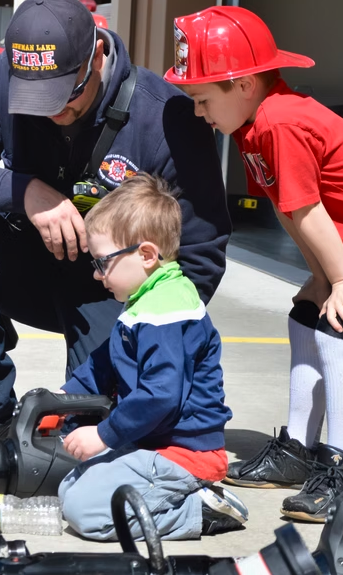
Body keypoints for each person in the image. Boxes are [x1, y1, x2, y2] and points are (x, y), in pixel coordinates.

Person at [165, 6, 343, 522]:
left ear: (246, 84)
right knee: (306, 316)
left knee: (336, 329)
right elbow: (287, 208)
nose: (197, 112)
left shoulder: (281, 122)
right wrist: (320, 278)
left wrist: (342, 280)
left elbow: (308, 208)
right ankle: (298, 452)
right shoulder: (250, 126)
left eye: (203, 98)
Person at [0, 0, 231, 439]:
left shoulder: (167, 118)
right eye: (35, 96)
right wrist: (22, 190)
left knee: (90, 427)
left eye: (65, 92)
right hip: (30, 265)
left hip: (112, 290)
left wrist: (149, 334)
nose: (50, 109)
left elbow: (200, 253)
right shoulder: (3, 77)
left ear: (97, 55)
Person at [56, 172, 246, 540]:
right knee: (68, 488)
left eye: (101, 262)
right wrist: (63, 399)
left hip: (184, 453)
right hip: (153, 443)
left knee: (86, 513)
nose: (97, 275)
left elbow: (160, 395)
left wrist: (104, 434)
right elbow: (105, 362)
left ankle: (200, 508)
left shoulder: (166, 311)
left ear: (145, 255)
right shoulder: (147, 300)